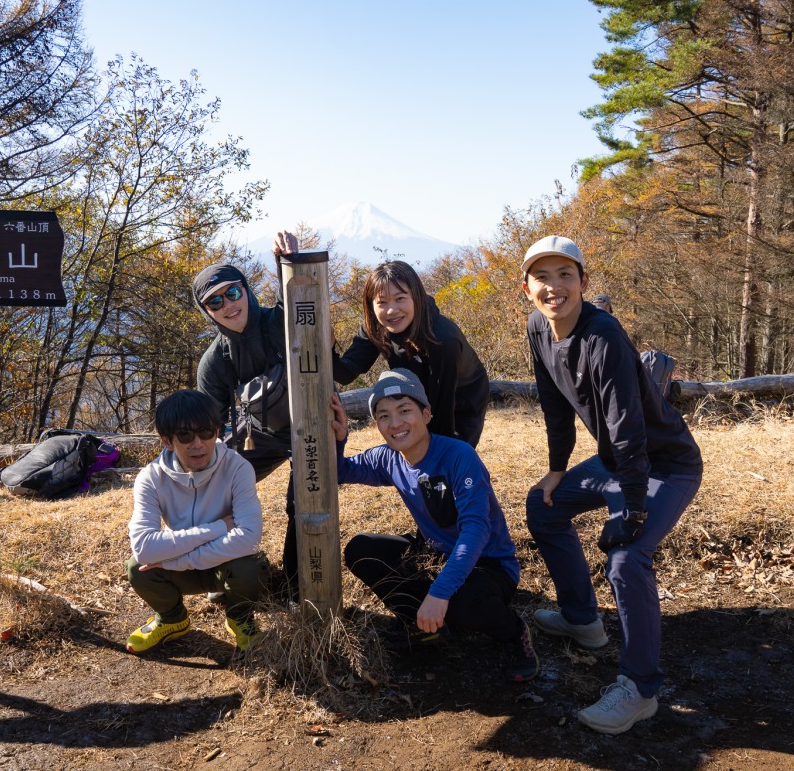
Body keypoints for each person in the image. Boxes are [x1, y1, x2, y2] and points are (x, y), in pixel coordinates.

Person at [520, 235, 702, 733]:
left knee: (626, 558)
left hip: (664, 464)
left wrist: (634, 509)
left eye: (565, 275)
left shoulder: (603, 337)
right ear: (526, 287)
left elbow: (628, 428)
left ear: (583, 280)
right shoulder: (538, 327)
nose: (554, 287)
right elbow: (553, 403)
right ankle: (583, 620)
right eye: (542, 277)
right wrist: (557, 467)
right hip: (615, 461)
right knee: (543, 505)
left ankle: (641, 689)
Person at [330, 368, 539, 682]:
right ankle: (421, 625)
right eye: (384, 416)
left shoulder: (458, 456)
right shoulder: (388, 458)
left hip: (490, 565)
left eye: (405, 410)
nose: (395, 423)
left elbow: (476, 530)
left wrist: (439, 593)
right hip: (436, 555)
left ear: (426, 414)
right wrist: (340, 438)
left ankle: (513, 633)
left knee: (460, 602)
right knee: (362, 549)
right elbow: (340, 471)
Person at [193, 233, 298, 596]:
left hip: (313, 425)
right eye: (215, 301)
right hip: (259, 435)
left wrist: (287, 261)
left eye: (233, 292)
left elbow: (298, 295)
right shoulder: (214, 362)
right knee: (211, 489)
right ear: (207, 311)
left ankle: (298, 586)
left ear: (246, 290)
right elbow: (207, 427)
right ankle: (228, 571)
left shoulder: (279, 321)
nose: (228, 305)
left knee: (303, 502)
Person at [125, 389, 269, 655]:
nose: (198, 443)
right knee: (138, 568)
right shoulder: (150, 477)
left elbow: (249, 537)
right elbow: (144, 548)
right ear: (167, 440)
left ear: (217, 432)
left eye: (206, 432)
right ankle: (172, 619)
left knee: (251, 566)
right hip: (194, 560)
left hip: (222, 562)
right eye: (185, 435)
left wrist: (178, 561)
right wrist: (220, 526)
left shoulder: (237, 468)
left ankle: (239, 617)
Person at [333, 260, 490, 447]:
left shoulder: (442, 339)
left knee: (452, 452)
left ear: (417, 297)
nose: (391, 310)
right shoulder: (376, 326)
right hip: (415, 392)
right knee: (415, 449)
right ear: (371, 305)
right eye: (382, 302)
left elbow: (443, 415)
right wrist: (327, 346)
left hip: (461, 397)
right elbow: (346, 373)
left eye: (400, 298)